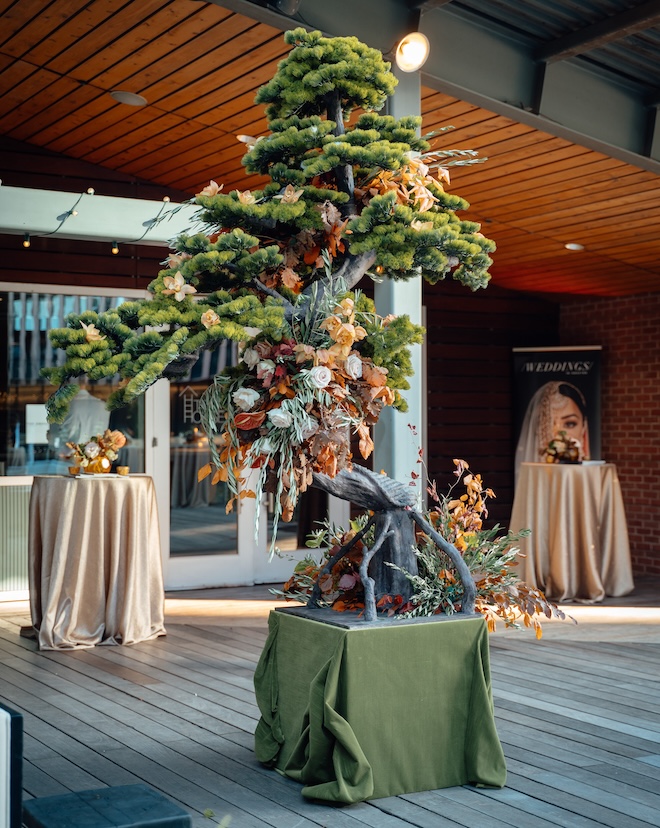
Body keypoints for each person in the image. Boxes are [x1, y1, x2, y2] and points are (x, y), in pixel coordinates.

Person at [515, 381, 589, 485]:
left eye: (570, 424)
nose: (558, 433)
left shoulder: (591, 475)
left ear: (583, 426)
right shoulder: (532, 476)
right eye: (548, 424)